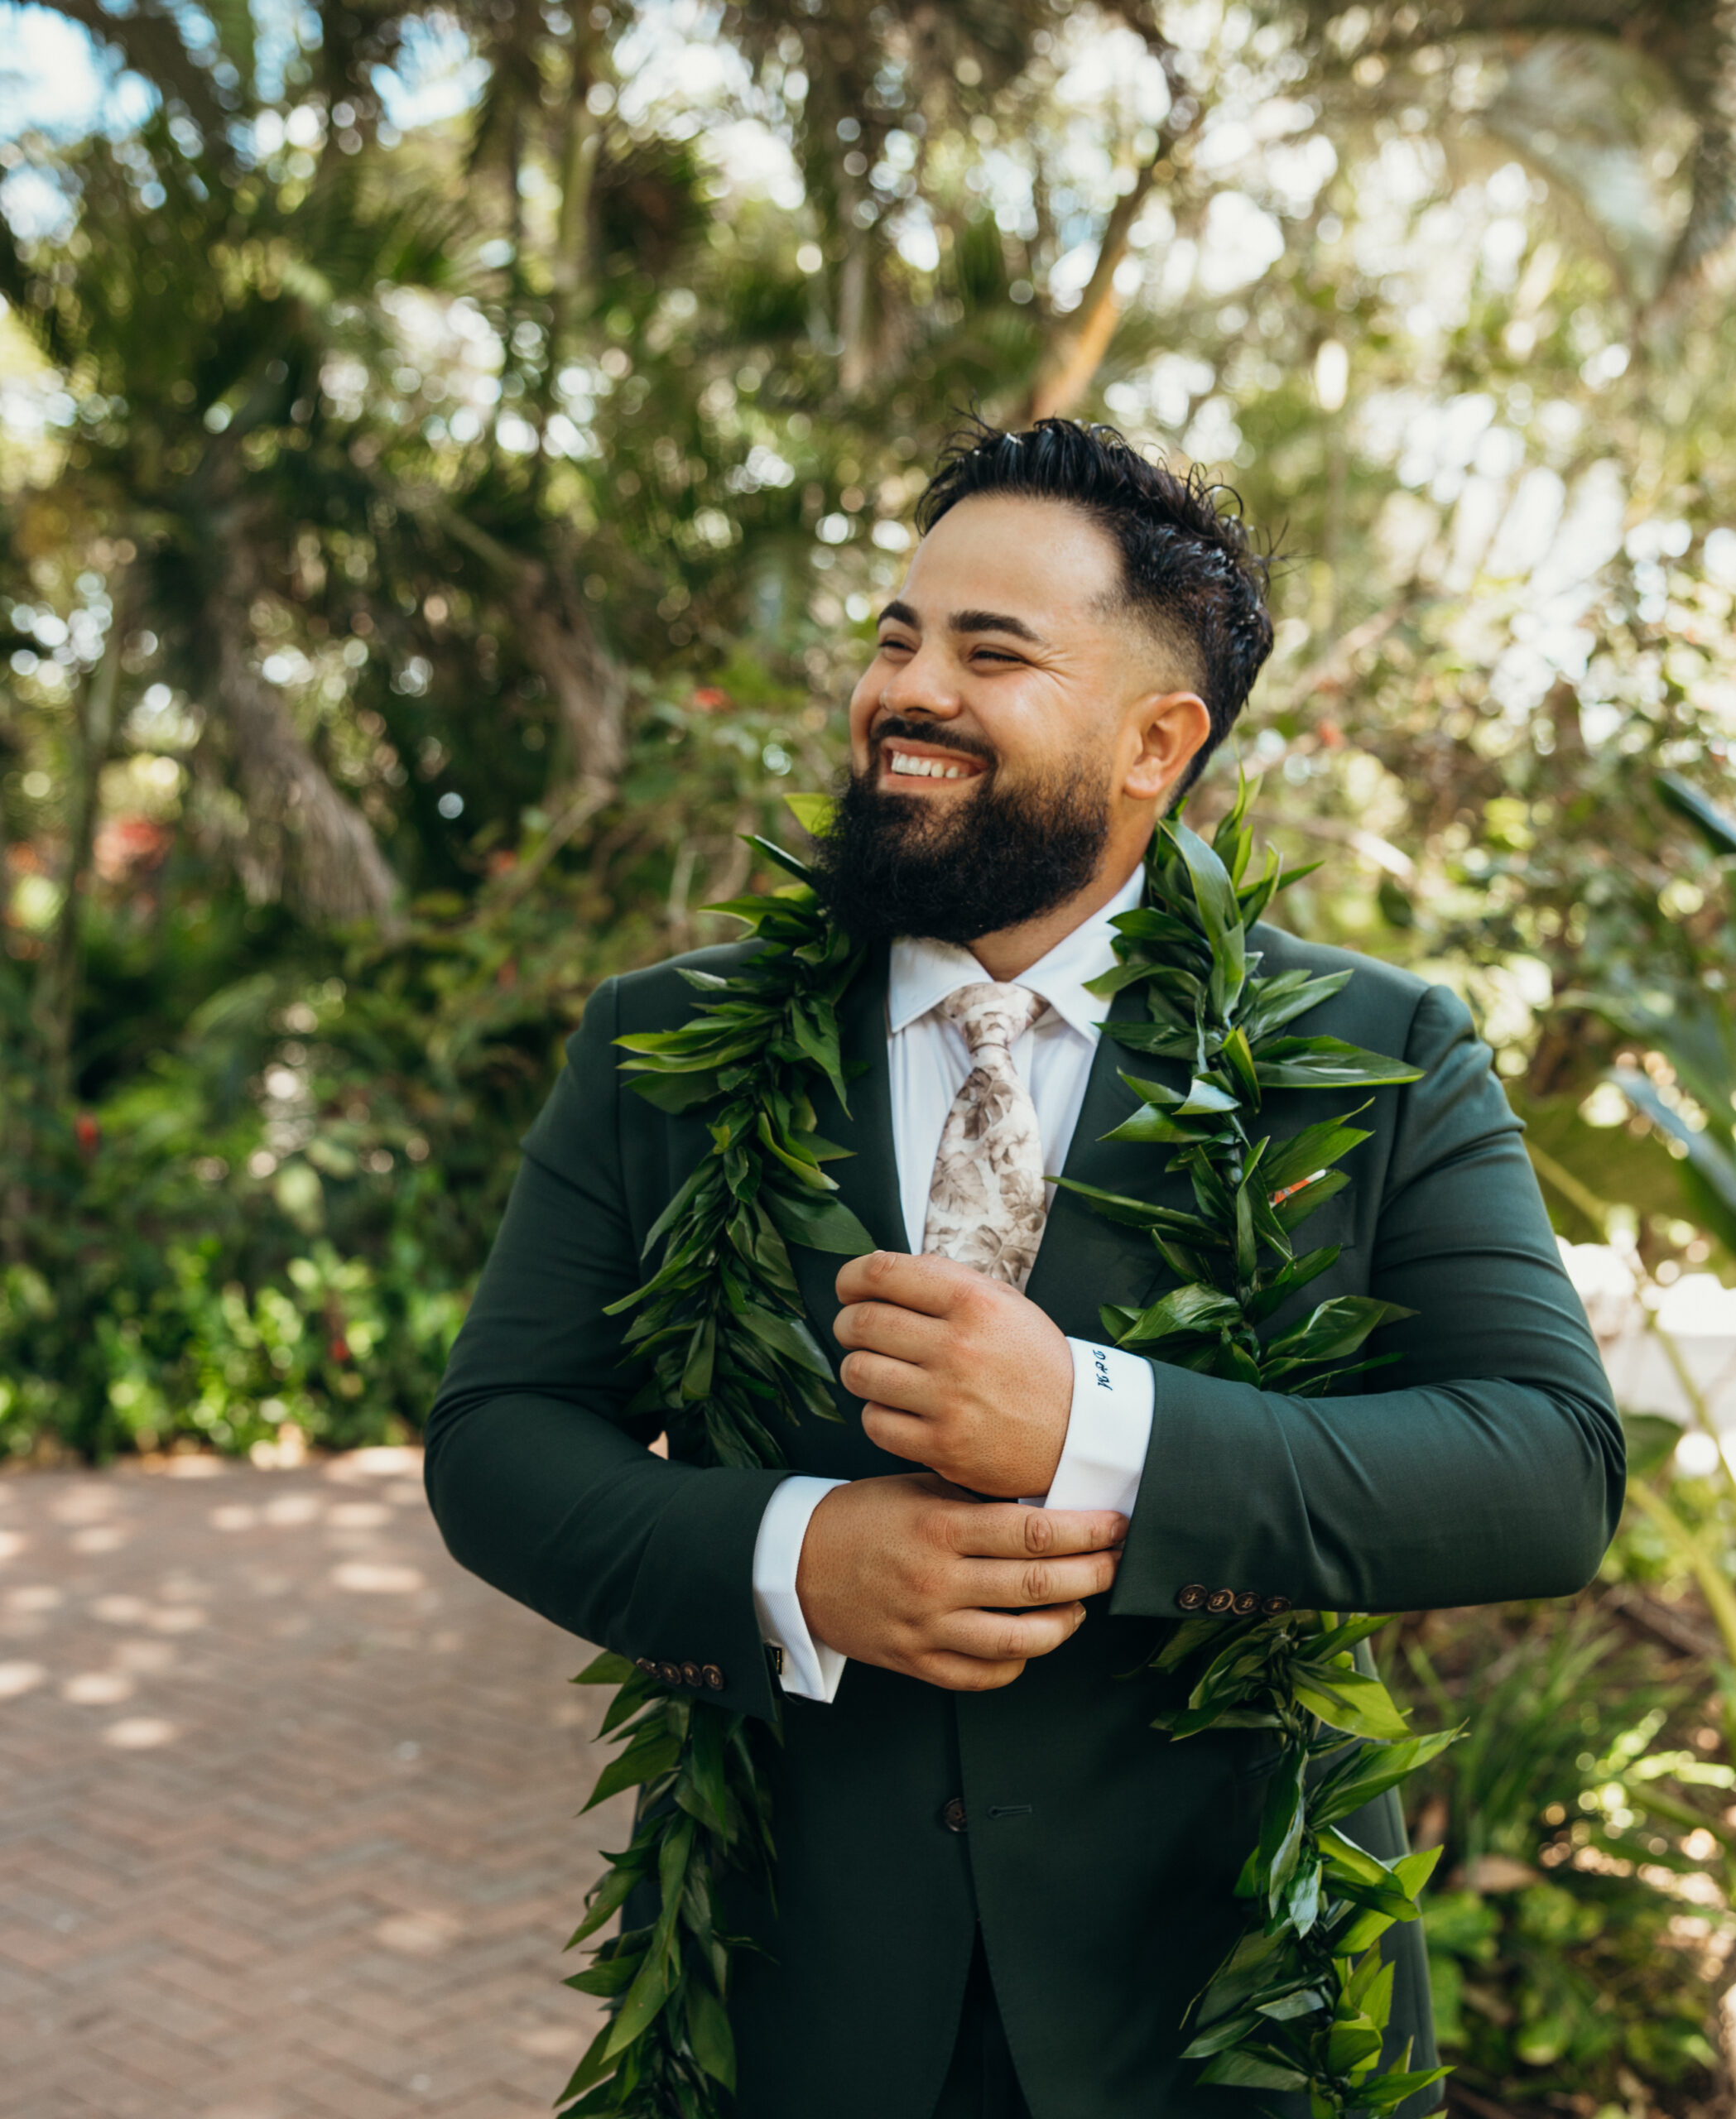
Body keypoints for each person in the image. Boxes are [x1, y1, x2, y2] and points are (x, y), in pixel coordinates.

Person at [424, 418, 1622, 2119]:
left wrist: (1096, 1424)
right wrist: (795, 1553)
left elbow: (1543, 1468)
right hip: (793, 1992)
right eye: (897, 635)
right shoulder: (659, 1043)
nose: (905, 687)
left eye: (989, 651)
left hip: (1222, 2003)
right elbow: (495, 1439)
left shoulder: (1373, 1051)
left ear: (1155, 739)